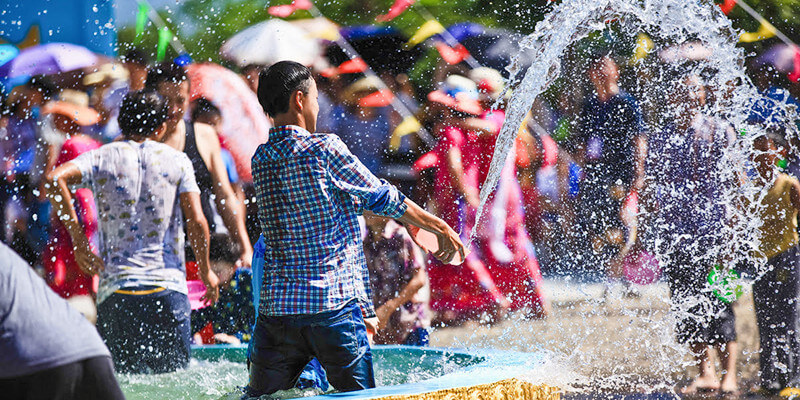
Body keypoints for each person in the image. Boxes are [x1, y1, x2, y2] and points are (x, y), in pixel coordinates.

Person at [247, 61, 464, 396]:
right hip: (331, 309)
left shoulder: (261, 159)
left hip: (277, 314)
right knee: (360, 397)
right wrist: (437, 225)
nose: (320, 106)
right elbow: (383, 197)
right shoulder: (324, 149)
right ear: (300, 101)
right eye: (317, 98)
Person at [45, 89, 219, 373]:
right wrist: (205, 270)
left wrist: (79, 241)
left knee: (123, 385)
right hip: (168, 291)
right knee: (175, 384)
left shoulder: (102, 157)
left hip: (117, 293)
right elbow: (197, 222)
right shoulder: (177, 161)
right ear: (161, 127)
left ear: (123, 124)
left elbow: (53, 180)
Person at [648, 75, 738, 395]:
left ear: (702, 96)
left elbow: (736, 180)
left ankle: (730, 375)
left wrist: (733, 228)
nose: (686, 97)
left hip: (713, 229)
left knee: (720, 300)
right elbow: (655, 182)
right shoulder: (662, 137)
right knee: (686, 303)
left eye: (693, 90)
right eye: (679, 92)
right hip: (676, 230)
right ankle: (706, 371)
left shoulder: (719, 130)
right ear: (671, 99)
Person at [146, 62, 253, 268]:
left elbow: (225, 196)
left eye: (181, 100)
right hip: (155, 256)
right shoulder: (135, 142)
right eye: (166, 101)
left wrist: (244, 246)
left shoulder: (204, 135)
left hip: (206, 252)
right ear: (150, 98)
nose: (174, 110)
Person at [574, 55, 646, 280]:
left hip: (621, 173)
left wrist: (639, 172)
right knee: (599, 223)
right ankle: (610, 275)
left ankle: (625, 274)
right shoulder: (590, 104)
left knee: (623, 221)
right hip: (596, 173)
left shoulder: (627, 102)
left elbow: (638, 139)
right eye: (596, 68)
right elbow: (583, 142)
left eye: (605, 67)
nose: (600, 72)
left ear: (616, 71)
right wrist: (579, 167)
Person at [40, 97, 103, 322]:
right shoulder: (94, 143)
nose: (54, 121)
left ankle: (62, 320)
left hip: (74, 207)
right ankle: (100, 313)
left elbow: (53, 183)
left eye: (59, 117)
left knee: (65, 257)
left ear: (68, 121)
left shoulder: (68, 145)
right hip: (92, 209)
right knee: (90, 258)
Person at [750, 132, 800, 395]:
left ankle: (793, 380)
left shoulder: (789, 185)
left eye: (765, 150)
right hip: (761, 261)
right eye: (755, 152)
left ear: (779, 154)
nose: (759, 157)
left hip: (787, 256)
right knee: (765, 320)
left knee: (788, 320)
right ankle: (770, 379)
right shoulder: (751, 189)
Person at [363, 212, 431, 345]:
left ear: (386, 211)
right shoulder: (366, 242)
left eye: (370, 207)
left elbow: (419, 279)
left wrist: (389, 307)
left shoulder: (402, 237)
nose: (365, 211)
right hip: (382, 325)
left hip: (410, 321)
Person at [191, 233, 254, 345]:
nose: (213, 277)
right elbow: (202, 315)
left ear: (234, 267)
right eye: (211, 271)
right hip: (225, 344)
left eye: (218, 271)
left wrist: (238, 339)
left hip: (251, 344)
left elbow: (259, 320)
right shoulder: (211, 286)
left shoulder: (248, 281)